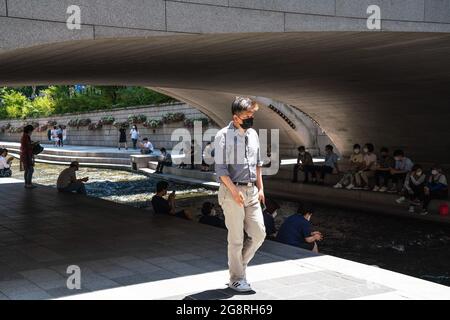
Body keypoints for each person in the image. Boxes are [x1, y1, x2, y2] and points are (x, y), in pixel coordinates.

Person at [214, 97, 266, 292]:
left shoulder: (253, 134)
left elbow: (258, 164)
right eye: (248, 115)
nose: (251, 117)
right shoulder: (222, 136)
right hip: (231, 190)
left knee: (259, 234)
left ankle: (239, 268)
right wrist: (235, 193)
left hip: (252, 191)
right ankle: (237, 277)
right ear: (236, 117)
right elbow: (220, 171)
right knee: (236, 239)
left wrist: (261, 188)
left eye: (252, 114)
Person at [20, 125, 38, 189]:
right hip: (26, 155)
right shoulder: (26, 136)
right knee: (30, 169)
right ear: (29, 131)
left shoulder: (24, 136)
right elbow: (28, 146)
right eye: (31, 131)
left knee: (27, 170)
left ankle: (26, 183)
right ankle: (28, 184)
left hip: (24, 155)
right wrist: (34, 144)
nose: (32, 132)